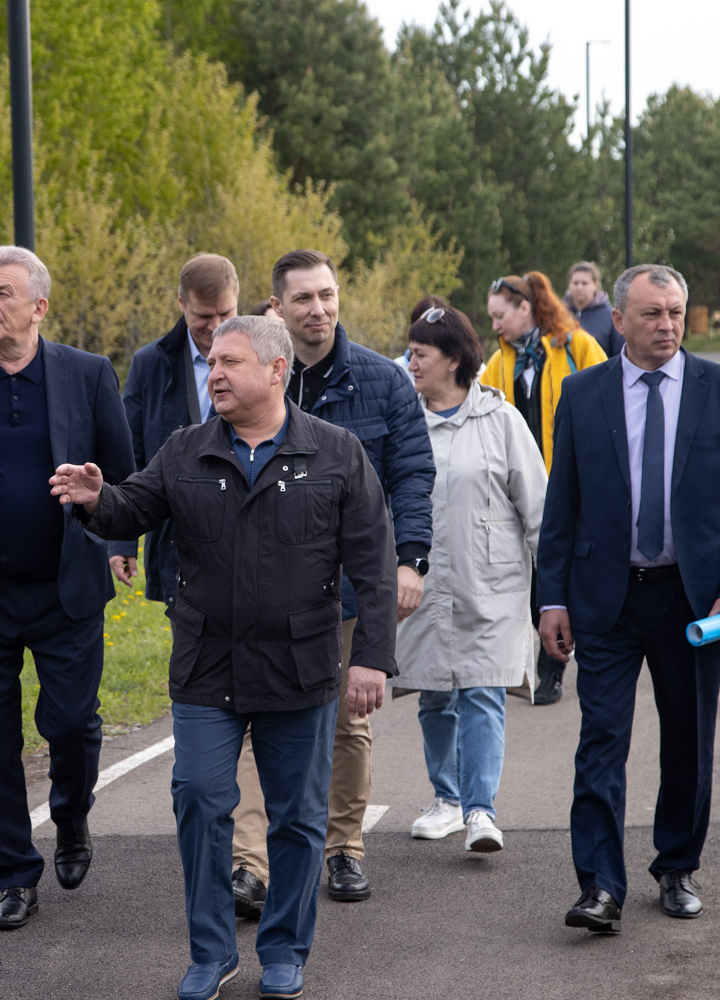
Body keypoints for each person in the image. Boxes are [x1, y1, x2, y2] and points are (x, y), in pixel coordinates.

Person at [48, 315, 400, 1000]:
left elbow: (373, 562)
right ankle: (211, 953)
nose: (214, 374)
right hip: (207, 666)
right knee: (200, 800)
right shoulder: (186, 449)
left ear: (275, 370)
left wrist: (372, 660)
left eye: (230, 362)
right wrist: (97, 502)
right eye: (211, 362)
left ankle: (285, 950)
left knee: (297, 818)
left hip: (300, 669)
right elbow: (133, 507)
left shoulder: (334, 452)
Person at [537, 264, 720, 934]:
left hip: (693, 602)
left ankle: (676, 866)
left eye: (674, 313)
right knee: (602, 740)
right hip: (605, 599)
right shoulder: (583, 395)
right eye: (650, 314)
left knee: (688, 741)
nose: (666, 325)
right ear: (618, 320)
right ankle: (600, 888)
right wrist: (551, 599)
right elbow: (563, 509)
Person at [228, 249, 434, 913]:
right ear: (276, 308)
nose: (318, 310)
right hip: (260, 590)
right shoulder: (252, 378)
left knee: (348, 724)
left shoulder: (385, 381)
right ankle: (249, 866)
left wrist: (411, 559)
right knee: (255, 727)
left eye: (327, 295)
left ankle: (344, 850)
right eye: (303, 300)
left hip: (347, 589)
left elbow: (412, 475)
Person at [0, 245, 135, 931]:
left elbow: (120, 470)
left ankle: (72, 816)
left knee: (72, 724)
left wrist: (119, 541)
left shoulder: (87, 375)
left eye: (2, 293)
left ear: (39, 305)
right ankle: (14, 875)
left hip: (68, 587)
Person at [400, 305, 547, 850]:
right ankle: (447, 798)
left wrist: (551, 593)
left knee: (484, 690)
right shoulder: (403, 419)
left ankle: (481, 811)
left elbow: (537, 508)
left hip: (493, 584)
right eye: (410, 351)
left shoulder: (500, 419)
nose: (411, 362)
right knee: (434, 693)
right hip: (424, 585)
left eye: (421, 353)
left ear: (454, 359)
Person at [484, 270, 607, 706]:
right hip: (522, 487)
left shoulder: (577, 346)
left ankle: (552, 668)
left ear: (526, 308)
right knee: (531, 573)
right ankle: (534, 664)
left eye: (501, 316)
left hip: (571, 482)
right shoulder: (500, 362)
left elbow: (607, 403)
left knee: (561, 572)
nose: (495, 326)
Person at [109, 254, 239, 606]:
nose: (215, 326)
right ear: (181, 304)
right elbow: (129, 452)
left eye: (225, 315)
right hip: (175, 540)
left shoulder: (262, 361)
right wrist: (122, 539)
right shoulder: (148, 364)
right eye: (203, 316)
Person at [565, 261, 624, 357]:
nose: (579, 287)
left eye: (584, 283)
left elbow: (619, 355)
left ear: (595, 284)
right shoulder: (559, 313)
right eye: (575, 283)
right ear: (569, 284)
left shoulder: (610, 316)